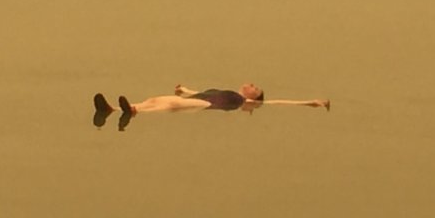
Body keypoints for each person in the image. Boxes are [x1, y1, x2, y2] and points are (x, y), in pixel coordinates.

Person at [93, 83, 329, 130]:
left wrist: (311, 103)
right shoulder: (225, 89)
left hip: (203, 105)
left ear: (254, 98)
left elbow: (279, 102)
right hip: (197, 97)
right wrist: (185, 90)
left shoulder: (245, 102)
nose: (251, 85)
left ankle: (133, 112)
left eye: (254, 87)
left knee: (170, 105)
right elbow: (201, 90)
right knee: (155, 99)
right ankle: (114, 109)